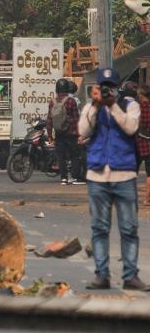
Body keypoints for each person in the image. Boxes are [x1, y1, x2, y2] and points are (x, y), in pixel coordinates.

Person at [78, 68, 147, 291]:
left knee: (129, 228)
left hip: (124, 173)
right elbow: (83, 131)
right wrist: (97, 106)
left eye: (111, 86)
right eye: (104, 86)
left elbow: (130, 128)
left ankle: (130, 276)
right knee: (99, 228)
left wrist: (113, 105)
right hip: (97, 174)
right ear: (97, 87)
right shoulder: (91, 107)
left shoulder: (129, 105)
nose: (108, 90)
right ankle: (101, 275)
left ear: (117, 87)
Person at [47, 78, 82, 185]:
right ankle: (74, 177)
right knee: (75, 155)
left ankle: (64, 178)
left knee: (61, 156)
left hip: (59, 133)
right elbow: (76, 118)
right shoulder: (71, 101)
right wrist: (80, 133)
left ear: (57, 89)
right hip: (71, 133)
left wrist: (49, 135)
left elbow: (49, 119)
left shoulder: (52, 102)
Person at [137, 85, 150, 205]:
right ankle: (147, 198)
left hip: (143, 144)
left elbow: (140, 124)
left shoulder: (143, 107)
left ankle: (146, 198)